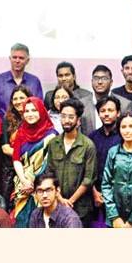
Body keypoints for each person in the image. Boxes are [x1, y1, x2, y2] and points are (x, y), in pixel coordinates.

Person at [45, 97, 97, 226]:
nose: (66, 121)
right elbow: (49, 173)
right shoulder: (53, 143)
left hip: (81, 209)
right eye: (63, 116)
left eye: (70, 117)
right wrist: (60, 199)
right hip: (56, 204)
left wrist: (70, 201)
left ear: (78, 120)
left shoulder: (87, 145)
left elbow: (89, 179)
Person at [10, 96, 58, 228]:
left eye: (34, 110)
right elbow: (16, 159)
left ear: (41, 111)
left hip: (43, 186)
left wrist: (35, 183)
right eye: (27, 111)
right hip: (23, 185)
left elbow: (50, 163)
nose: (30, 114)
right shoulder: (20, 133)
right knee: (21, 220)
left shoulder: (51, 135)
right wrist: (25, 181)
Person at [88, 95, 123, 226]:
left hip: (119, 195)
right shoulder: (91, 137)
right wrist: (94, 192)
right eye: (102, 111)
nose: (106, 114)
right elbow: (88, 169)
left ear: (118, 113)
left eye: (110, 110)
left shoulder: (124, 137)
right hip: (95, 194)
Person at [0, 43, 43, 119]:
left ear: (27, 60)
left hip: (30, 128)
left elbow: (39, 109)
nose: (17, 61)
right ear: (10, 59)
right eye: (14, 57)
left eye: (21, 58)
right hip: (4, 128)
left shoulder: (35, 81)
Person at [44, 61, 97, 134]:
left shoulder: (86, 95)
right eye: (60, 76)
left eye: (67, 75)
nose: (64, 78)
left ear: (74, 76)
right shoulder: (49, 96)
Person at [0, 84, 31, 199]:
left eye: (22, 98)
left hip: (31, 168)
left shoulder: (34, 118)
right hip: (10, 169)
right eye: (15, 99)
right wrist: (25, 154)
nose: (18, 101)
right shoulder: (7, 120)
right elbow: (5, 148)